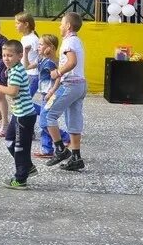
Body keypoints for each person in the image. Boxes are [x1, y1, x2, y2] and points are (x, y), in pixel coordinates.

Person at [42, 12, 88, 172]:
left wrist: (58, 73)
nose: (60, 26)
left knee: (48, 114)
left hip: (69, 85)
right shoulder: (77, 41)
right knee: (73, 120)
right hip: (80, 85)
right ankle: (76, 157)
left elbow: (72, 62)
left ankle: (60, 149)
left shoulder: (68, 42)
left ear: (68, 26)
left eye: (62, 23)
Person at [0, 40, 38, 189]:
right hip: (18, 114)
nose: (6, 58)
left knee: (20, 148)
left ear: (19, 56)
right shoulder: (13, 69)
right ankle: (27, 166)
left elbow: (13, 92)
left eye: (10, 55)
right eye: (4, 55)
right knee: (9, 140)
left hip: (24, 116)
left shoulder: (17, 71)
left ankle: (20, 179)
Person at [34, 34, 69, 158]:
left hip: (50, 94)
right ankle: (47, 149)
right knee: (44, 119)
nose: (38, 47)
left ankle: (65, 136)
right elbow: (27, 66)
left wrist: (51, 91)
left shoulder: (51, 62)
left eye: (41, 44)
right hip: (44, 93)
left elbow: (58, 77)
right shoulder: (42, 60)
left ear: (51, 47)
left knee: (44, 122)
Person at [14, 11, 40, 111]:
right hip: (26, 74)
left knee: (23, 102)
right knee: (22, 102)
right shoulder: (25, 38)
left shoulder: (33, 39)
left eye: (17, 23)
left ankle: (45, 114)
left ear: (26, 24)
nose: (15, 26)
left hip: (33, 75)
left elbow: (40, 57)